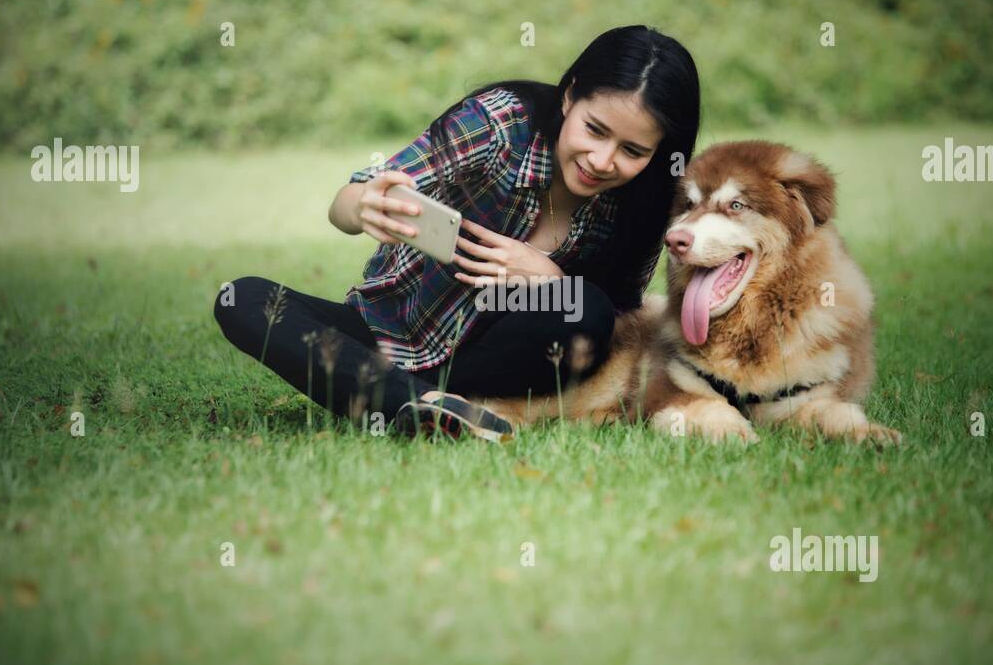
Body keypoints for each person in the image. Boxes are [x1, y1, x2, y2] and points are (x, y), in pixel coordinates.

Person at [214, 24, 701, 441]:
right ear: (571, 95)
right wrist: (363, 206)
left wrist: (551, 280)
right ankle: (432, 405)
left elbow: (618, 326)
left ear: (658, 153)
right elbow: (351, 198)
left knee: (585, 309)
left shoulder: (645, 202)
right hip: (384, 335)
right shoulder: (501, 122)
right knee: (243, 299)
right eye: (595, 130)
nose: (603, 161)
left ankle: (407, 400)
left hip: (497, 357)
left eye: (632, 150)